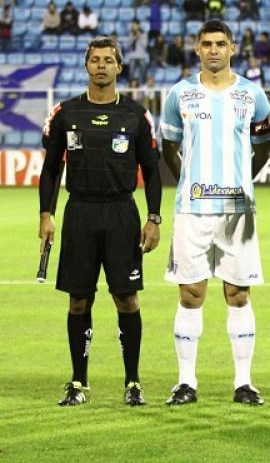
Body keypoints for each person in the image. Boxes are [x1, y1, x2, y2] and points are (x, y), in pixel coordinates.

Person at [39, 36, 162, 407]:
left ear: (119, 68)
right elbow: (50, 170)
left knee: (127, 299)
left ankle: (133, 382)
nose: (102, 66)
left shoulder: (136, 115)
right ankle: (78, 381)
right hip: (79, 212)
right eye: (95, 60)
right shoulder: (65, 113)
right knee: (79, 300)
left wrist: (154, 218)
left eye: (109, 60)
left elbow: (153, 172)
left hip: (122, 213)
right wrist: (47, 214)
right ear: (87, 65)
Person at [160, 20, 270, 406]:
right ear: (196, 48)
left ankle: (244, 383)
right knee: (191, 293)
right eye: (206, 43)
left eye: (220, 43)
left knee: (238, 293)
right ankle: (185, 382)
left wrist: (241, 183)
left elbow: (261, 147)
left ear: (233, 48)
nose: (213, 50)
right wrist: (190, 183)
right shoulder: (180, 94)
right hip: (191, 211)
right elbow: (168, 148)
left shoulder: (253, 96)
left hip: (238, 212)